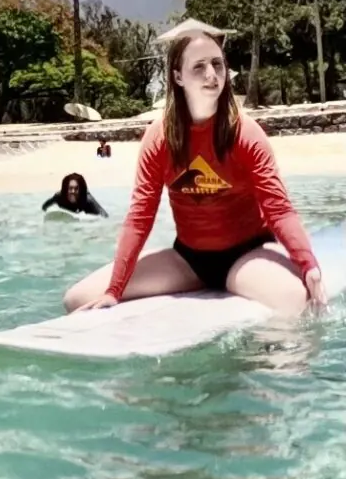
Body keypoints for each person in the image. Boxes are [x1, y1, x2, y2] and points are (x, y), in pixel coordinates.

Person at [63, 20, 327, 317]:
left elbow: (278, 209)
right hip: (188, 260)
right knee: (78, 298)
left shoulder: (245, 133)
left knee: (295, 300)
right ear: (177, 76)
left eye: (217, 64)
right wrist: (115, 289)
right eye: (199, 67)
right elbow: (140, 217)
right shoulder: (160, 136)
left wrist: (308, 264)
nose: (211, 74)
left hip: (246, 256)